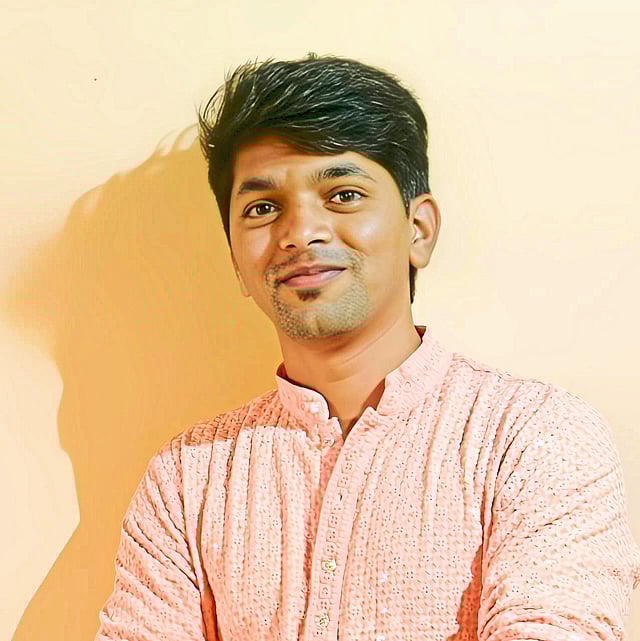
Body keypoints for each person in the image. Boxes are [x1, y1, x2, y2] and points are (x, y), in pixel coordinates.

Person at [95, 54, 640, 641]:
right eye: (262, 208)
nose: (300, 233)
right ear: (235, 258)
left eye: (343, 195)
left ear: (418, 230)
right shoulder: (187, 479)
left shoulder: (533, 437)